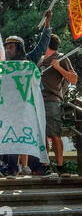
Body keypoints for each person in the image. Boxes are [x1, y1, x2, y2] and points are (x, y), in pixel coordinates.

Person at [3, 10, 53, 178]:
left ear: (19, 48)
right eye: (7, 47)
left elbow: (42, 45)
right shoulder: (3, 67)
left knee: (33, 133)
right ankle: (12, 169)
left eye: (11, 47)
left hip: (28, 107)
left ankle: (37, 166)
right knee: (11, 135)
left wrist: (47, 25)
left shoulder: (30, 59)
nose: (8, 50)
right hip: (11, 107)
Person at [38, 34, 78, 177]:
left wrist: (58, 67)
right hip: (38, 101)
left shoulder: (61, 57)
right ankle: (45, 165)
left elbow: (73, 80)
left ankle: (60, 167)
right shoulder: (40, 59)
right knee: (41, 136)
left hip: (52, 100)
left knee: (54, 134)